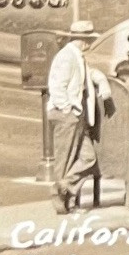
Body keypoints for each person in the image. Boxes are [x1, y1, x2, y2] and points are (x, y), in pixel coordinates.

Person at [46, 21, 109, 213]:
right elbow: (57, 86)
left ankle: (63, 187)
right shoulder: (67, 57)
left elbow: (85, 74)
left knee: (88, 158)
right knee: (65, 159)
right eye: (89, 39)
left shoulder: (77, 57)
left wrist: (102, 79)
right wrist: (67, 109)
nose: (90, 43)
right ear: (82, 39)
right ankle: (62, 202)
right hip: (67, 114)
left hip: (77, 115)